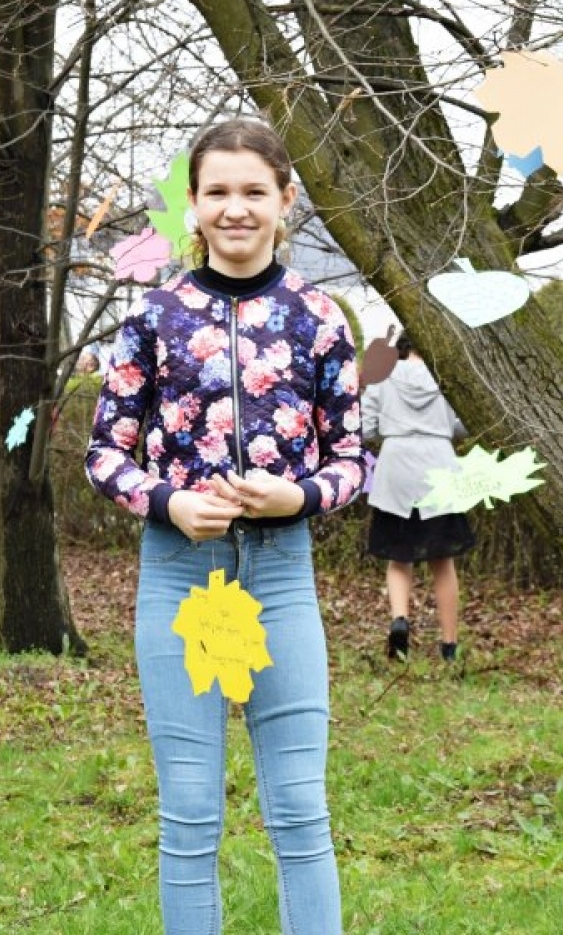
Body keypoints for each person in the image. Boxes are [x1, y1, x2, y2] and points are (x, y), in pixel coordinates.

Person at [85, 118, 367, 933]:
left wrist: (301, 497)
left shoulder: (319, 318)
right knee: (190, 816)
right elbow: (106, 452)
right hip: (182, 582)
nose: (235, 210)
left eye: (254, 192)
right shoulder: (153, 316)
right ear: (192, 205)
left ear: (287, 201)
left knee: (301, 811)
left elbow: (352, 457)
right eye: (217, 192)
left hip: (280, 576)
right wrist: (169, 503)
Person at [362, 333, 474, 662]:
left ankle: (400, 621)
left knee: (399, 558)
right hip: (438, 463)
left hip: (396, 465)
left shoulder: (384, 376)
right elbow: (463, 425)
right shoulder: (447, 376)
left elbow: (366, 428)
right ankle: (450, 645)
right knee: (443, 561)